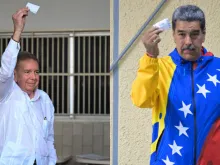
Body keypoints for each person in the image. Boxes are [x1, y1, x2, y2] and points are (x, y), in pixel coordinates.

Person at [131, 4, 220, 165]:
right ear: (173, 34)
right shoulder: (159, 67)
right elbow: (141, 100)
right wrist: (150, 56)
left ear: (204, 34)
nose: (188, 41)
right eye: (181, 34)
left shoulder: (218, 69)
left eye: (194, 34)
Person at [0, 8, 57, 165]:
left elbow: (49, 138)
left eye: (36, 71)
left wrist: (52, 162)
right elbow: (5, 71)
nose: (33, 77)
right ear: (15, 75)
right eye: (27, 72)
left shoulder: (44, 99)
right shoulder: (7, 93)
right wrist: (18, 30)